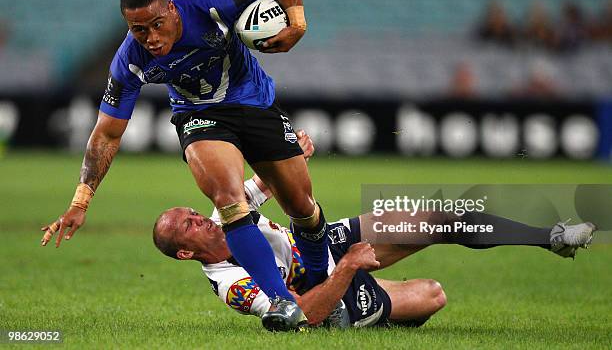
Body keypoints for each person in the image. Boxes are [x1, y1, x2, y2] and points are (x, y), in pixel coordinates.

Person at [40, 0, 330, 332]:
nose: (151, 38)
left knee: (302, 206)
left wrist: (297, 23)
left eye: (157, 24)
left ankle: (321, 287)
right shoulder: (129, 60)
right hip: (199, 116)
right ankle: (281, 301)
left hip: (254, 101)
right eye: (139, 30)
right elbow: (107, 133)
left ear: (172, 9)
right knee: (228, 199)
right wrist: (81, 200)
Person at [153, 132, 597, 329]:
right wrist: (346, 270)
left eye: (192, 211)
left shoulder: (226, 211)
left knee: (438, 217)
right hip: (325, 291)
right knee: (433, 294)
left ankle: (550, 236)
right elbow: (298, 313)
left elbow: (268, 181)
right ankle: (369, 317)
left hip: (322, 242)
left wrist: (293, 155)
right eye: (188, 224)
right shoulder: (232, 286)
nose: (199, 217)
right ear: (187, 254)